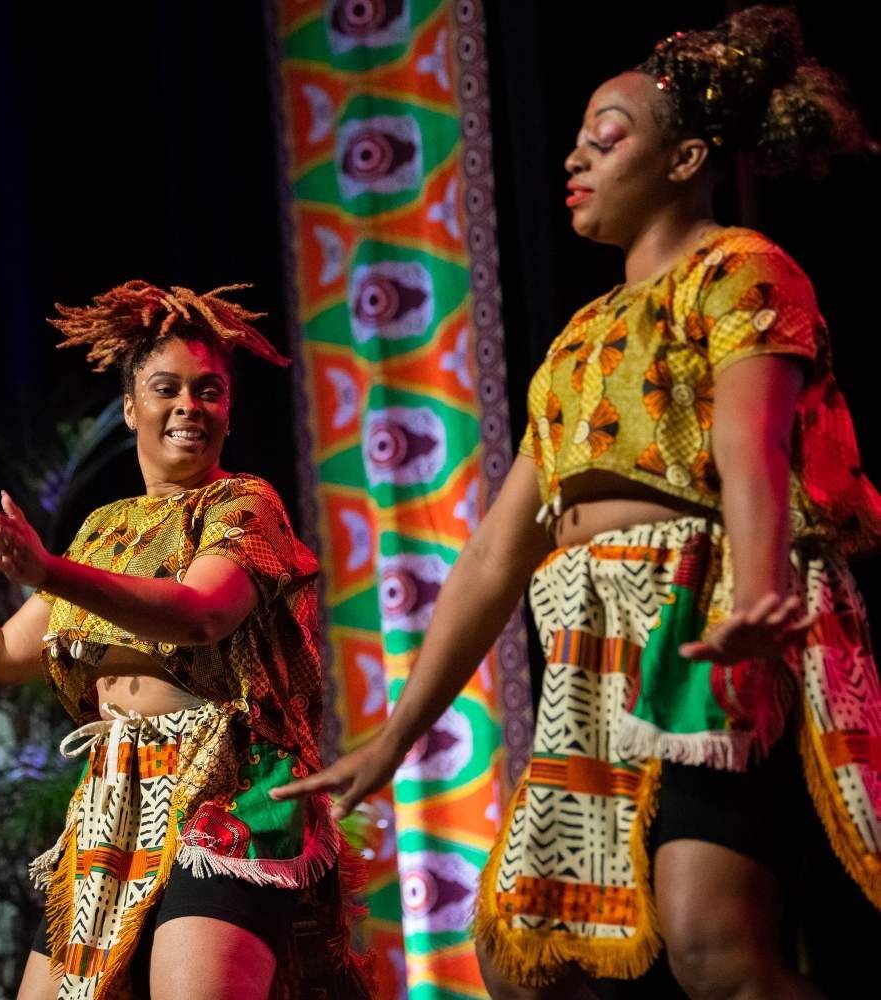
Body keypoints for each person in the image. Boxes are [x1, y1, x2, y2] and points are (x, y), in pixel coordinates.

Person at [275, 7, 881, 998]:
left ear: (686, 158)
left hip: (704, 610)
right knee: (530, 962)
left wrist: (756, 595)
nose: (576, 155)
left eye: (609, 136)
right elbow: (491, 557)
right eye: (580, 137)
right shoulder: (579, 337)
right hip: (592, 650)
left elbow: (752, 438)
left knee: (712, 941)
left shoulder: (738, 269)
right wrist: (395, 734)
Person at [0, 282, 364, 999]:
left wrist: (50, 571)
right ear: (130, 408)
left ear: (229, 411)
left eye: (209, 390)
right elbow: (2, 654)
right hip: (115, 798)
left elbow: (201, 613)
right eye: (166, 388)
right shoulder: (104, 530)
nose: (189, 405)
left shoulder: (243, 503)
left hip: (228, 791)